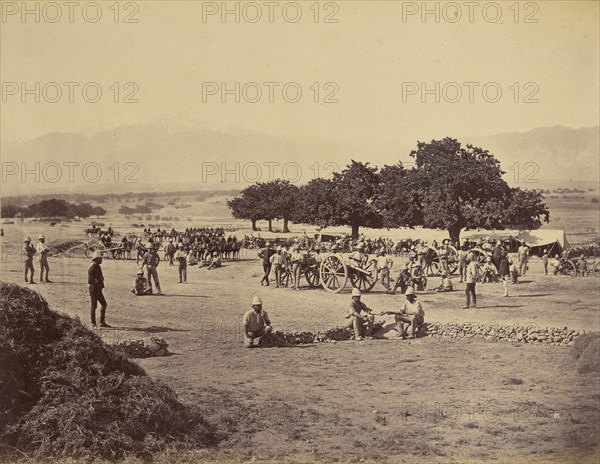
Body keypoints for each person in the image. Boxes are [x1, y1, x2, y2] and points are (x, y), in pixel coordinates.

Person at [88, 252, 109, 327]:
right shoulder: (92, 268)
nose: (101, 259)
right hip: (94, 289)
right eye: (100, 258)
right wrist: (97, 280)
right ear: (96, 259)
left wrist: (100, 280)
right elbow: (90, 280)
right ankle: (93, 323)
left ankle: (101, 322)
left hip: (98, 289)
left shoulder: (98, 267)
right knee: (94, 306)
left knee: (104, 304)